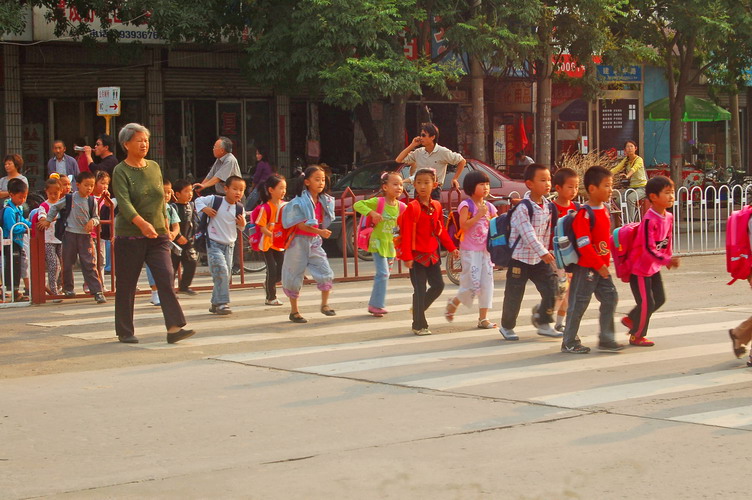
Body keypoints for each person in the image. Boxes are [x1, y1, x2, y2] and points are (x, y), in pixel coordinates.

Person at [111, 123, 194, 344]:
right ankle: (125, 330)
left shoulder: (154, 167)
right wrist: (141, 223)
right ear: (126, 144)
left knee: (166, 278)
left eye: (146, 140)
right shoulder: (120, 170)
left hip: (158, 236)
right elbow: (124, 203)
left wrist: (165, 225)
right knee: (127, 284)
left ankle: (174, 328)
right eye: (139, 140)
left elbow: (161, 200)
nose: (144, 144)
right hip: (130, 235)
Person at [561, 165, 624, 354]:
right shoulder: (584, 214)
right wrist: (599, 265)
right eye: (607, 185)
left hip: (601, 268)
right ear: (592, 189)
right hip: (587, 268)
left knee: (610, 297)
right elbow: (584, 245)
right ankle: (569, 341)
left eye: (611, 185)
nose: (610, 190)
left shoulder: (604, 210)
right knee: (579, 304)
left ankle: (606, 338)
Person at [498, 164, 560, 341]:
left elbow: (547, 232)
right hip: (520, 258)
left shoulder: (548, 206)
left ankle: (543, 322)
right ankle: (507, 326)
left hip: (539, 258)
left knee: (551, 288)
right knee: (514, 293)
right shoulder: (522, 208)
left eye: (549, 179)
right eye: (542, 180)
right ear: (529, 184)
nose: (547, 183)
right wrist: (543, 252)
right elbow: (527, 234)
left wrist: (547, 251)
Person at [398, 168, 459, 336]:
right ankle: (419, 324)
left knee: (438, 286)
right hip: (416, 255)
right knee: (419, 289)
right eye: (419, 183)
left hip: (432, 253)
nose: (422, 186)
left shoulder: (437, 206)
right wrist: (407, 256)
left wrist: (452, 248)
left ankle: (418, 308)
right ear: (414, 185)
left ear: (435, 185)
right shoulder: (412, 207)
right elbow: (406, 233)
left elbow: (440, 231)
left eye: (426, 182)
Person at [622, 176, 680, 347]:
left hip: (653, 267)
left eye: (672, 193)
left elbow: (667, 240)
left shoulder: (668, 217)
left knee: (659, 299)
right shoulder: (649, 219)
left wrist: (667, 258)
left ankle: (632, 318)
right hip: (639, 268)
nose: (671, 197)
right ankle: (637, 335)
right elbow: (647, 248)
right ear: (653, 197)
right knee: (647, 303)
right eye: (667, 193)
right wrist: (666, 260)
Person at [38, 171, 106, 304]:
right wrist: (48, 220)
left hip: (85, 237)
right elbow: (55, 207)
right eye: (86, 185)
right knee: (68, 262)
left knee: (89, 263)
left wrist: (92, 222)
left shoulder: (92, 201)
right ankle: (68, 289)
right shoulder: (69, 198)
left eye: (91, 185)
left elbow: (96, 217)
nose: (89, 188)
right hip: (69, 234)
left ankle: (97, 291)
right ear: (78, 185)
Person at [281, 165, 336, 324]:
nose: (321, 183)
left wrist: (318, 234)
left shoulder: (324, 201)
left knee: (325, 271)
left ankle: (325, 305)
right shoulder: (298, 202)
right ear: (306, 182)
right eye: (317, 179)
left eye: (323, 180)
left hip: (314, 242)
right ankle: (294, 311)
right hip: (298, 242)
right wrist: (320, 232)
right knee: (294, 275)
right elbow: (299, 225)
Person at [444, 170, 497, 329]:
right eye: (481, 184)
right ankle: (454, 302)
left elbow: (494, 226)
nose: (485, 188)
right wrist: (479, 215)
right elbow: (464, 226)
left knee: (487, 283)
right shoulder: (466, 205)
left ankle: (483, 318)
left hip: (485, 251)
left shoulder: (490, 206)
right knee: (472, 285)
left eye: (487, 184)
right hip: (469, 250)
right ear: (471, 187)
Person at [354, 171, 406, 317]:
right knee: (383, 274)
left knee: (385, 275)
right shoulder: (378, 202)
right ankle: (377, 305)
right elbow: (357, 204)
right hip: (377, 243)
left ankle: (374, 305)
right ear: (385, 187)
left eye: (401, 185)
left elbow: (402, 225)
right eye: (395, 184)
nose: (399, 187)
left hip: (391, 245)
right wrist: (372, 213)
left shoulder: (401, 207)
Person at [195, 175, 246, 315]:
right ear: (226, 189)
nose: (238, 192)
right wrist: (205, 209)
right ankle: (223, 303)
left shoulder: (239, 208)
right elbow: (197, 201)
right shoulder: (215, 200)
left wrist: (242, 224)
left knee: (224, 274)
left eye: (241, 190)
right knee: (222, 271)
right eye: (235, 189)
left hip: (229, 245)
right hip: (213, 243)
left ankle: (215, 302)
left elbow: (241, 227)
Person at [396, 122, 466, 200]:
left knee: (432, 210)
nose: (421, 138)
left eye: (424, 135)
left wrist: (455, 178)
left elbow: (462, 161)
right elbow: (399, 159)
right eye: (421, 135)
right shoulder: (418, 152)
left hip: (434, 189)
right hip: (419, 189)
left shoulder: (442, 151)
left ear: (432, 137)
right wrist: (412, 145)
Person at [550, 167, 580, 332]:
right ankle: (545, 317)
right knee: (561, 289)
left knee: (570, 292)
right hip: (556, 255)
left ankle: (560, 322)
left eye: (576, 187)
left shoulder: (577, 207)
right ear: (558, 188)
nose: (574, 190)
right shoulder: (551, 208)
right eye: (570, 187)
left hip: (573, 256)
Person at [145, 179, 181, 306]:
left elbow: (176, 226)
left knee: (168, 269)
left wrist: (173, 233)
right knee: (152, 267)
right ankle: (155, 293)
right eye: (163, 192)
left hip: (166, 243)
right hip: (153, 242)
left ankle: (166, 292)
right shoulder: (150, 208)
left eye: (168, 192)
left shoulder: (170, 208)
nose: (166, 195)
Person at [254, 174, 288, 306]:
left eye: (285, 188)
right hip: (267, 244)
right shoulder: (265, 208)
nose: (283, 191)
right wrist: (272, 235)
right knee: (272, 270)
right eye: (280, 188)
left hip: (279, 244)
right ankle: (270, 297)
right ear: (270, 190)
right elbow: (261, 227)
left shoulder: (285, 206)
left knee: (282, 269)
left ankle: (268, 284)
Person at [1, 178, 31, 302]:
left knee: (19, 266)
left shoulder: (19, 208)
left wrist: (30, 224)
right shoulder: (9, 210)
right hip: (10, 242)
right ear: (11, 195)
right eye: (20, 197)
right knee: (12, 266)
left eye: (25, 197)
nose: (23, 200)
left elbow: (22, 221)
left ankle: (16, 290)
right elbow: (12, 226)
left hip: (18, 242)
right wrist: (24, 229)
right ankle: (13, 291)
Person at [34, 177, 64, 296]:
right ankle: (53, 290)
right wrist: (47, 219)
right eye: (50, 193)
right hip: (48, 240)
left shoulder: (63, 204)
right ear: (46, 192)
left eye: (55, 193)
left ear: (60, 191)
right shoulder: (44, 206)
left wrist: (50, 219)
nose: (53, 195)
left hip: (61, 239)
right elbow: (42, 218)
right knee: (53, 264)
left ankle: (59, 286)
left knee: (63, 264)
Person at [170, 179, 199, 295]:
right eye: (186, 191)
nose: (190, 194)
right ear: (177, 194)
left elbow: (194, 222)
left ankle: (184, 286)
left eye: (191, 191)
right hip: (174, 242)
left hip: (188, 241)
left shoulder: (191, 206)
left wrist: (193, 237)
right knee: (172, 267)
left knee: (192, 262)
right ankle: (170, 289)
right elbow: (170, 224)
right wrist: (178, 237)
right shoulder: (172, 207)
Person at [611, 139, 647, 221]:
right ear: (625, 150)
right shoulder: (626, 160)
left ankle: (630, 223)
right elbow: (617, 168)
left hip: (642, 187)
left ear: (636, 148)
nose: (630, 148)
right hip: (632, 188)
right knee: (619, 200)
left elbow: (634, 169)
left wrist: (627, 176)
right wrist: (605, 174)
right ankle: (624, 219)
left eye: (631, 146)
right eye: (627, 147)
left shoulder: (639, 159)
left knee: (630, 198)